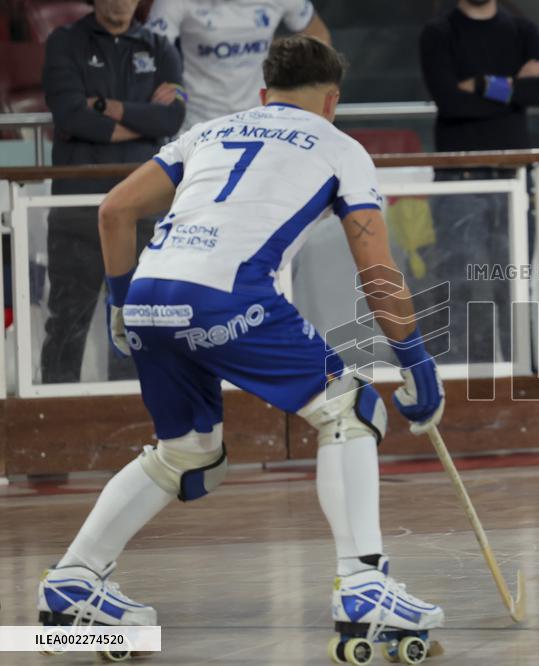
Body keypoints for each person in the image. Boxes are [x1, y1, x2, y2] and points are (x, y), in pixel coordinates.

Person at [37, 36, 445, 650]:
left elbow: (114, 212)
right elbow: (375, 268)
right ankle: (364, 586)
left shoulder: (210, 131)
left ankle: (72, 583)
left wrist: (123, 305)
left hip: (150, 290)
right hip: (224, 293)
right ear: (332, 100)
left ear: (262, 95)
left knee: (188, 450)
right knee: (350, 408)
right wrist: (414, 357)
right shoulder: (341, 147)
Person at [40, 0, 185, 383]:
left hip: (144, 209)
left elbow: (172, 117)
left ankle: (138, 408)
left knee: (141, 317)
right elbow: (71, 116)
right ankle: (55, 416)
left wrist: (104, 107)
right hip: (77, 206)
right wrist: (143, 119)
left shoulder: (160, 47)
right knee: (68, 317)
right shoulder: (65, 42)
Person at [418, 0, 539, 362]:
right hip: (460, 178)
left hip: (515, 174)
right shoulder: (439, 33)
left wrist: (479, 84)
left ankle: (522, 374)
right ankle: (461, 380)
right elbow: (449, 103)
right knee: (459, 283)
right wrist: (512, 89)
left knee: (516, 284)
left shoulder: (524, 30)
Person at [146, 0, 332, 130]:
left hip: (261, 120)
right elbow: (151, 53)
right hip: (196, 122)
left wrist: (294, 86)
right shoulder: (173, 3)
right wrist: (174, 88)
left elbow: (318, 35)